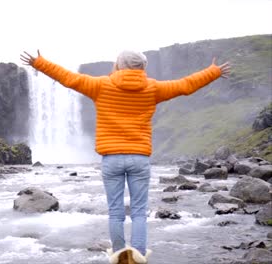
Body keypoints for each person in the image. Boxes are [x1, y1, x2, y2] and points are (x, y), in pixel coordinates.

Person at [20, 50, 230, 264]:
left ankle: (120, 255)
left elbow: (68, 78)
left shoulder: (100, 85)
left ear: (118, 65)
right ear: (143, 67)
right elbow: (186, 85)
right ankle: (137, 257)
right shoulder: (153, 88)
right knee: (139, 212)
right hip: (139, 158)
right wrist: (213, 72)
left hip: (111, 159)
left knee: (115, 212)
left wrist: (39, 63)